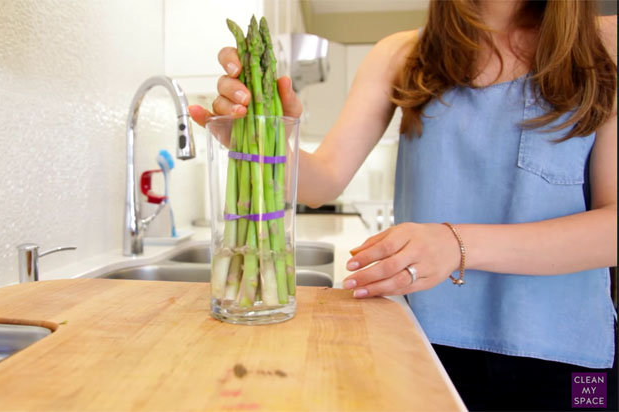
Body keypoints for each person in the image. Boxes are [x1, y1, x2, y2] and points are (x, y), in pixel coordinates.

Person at [190, 0, 617, 410]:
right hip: (426, 341)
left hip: (571, 359)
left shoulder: (605, 49)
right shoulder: (401, 54)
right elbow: (322, 181)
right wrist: (261, 139)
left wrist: (457, 244)